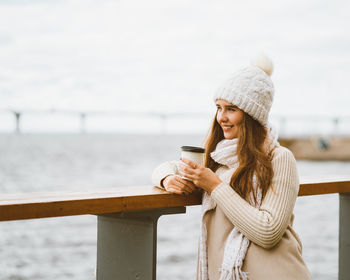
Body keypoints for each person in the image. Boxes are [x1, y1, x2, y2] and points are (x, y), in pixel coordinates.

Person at [151, 55, 312, 280]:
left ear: (251, 115)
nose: (221, 117)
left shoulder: (280, 158)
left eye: (231, 109)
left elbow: (268, 232)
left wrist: (214, 186)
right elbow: (168, 167)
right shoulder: (218, 158)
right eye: (218, 108)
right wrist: (167, 178)